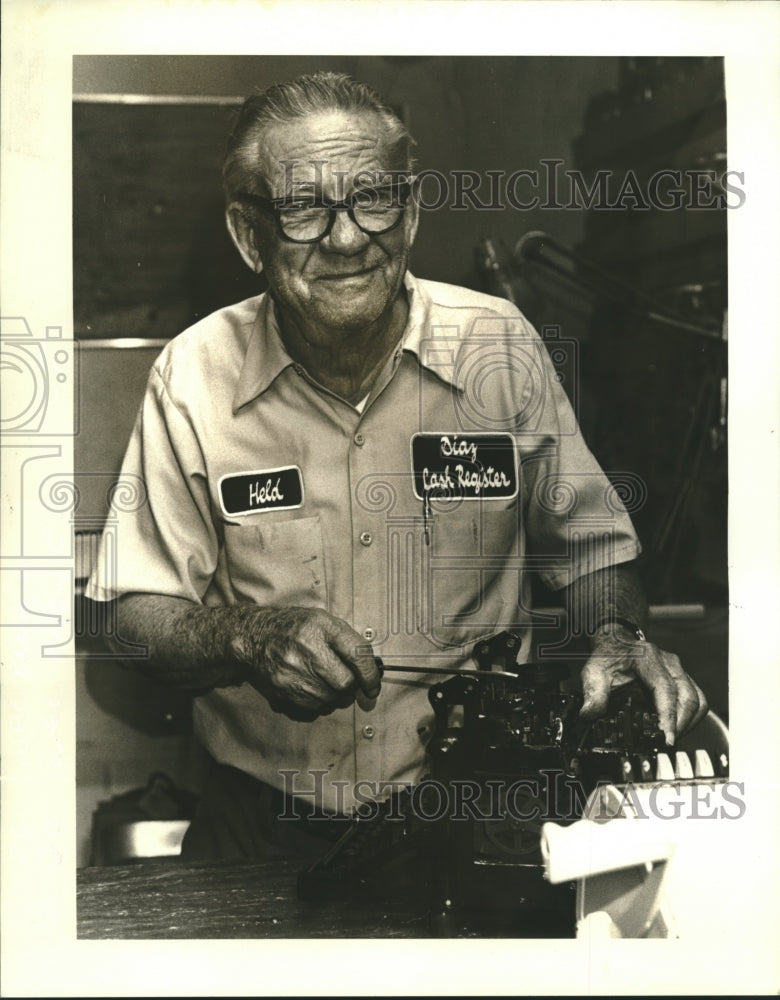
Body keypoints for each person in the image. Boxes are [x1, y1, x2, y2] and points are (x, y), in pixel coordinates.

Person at [86, 71, 707, 860]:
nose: (346, 239)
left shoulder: (498, 347)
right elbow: (136, 619)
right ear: (250, 235)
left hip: (478, 810)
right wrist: (250, 635)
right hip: (264, 823)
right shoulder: (194, 374)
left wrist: (617, 632)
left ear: (410, 216)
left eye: (373, 198)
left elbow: (595, 551)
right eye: (305, 208)